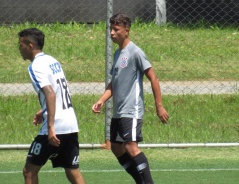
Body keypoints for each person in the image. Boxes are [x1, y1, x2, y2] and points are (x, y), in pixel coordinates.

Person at [92, 13, 169, 184]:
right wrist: (101, 100)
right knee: (117, 148)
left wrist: (159, 106)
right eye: (110, 29)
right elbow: (114, 83)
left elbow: (153, 78)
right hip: (119, 112)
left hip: (131, 109)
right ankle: (139, 180)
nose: (112, 33)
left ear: (126, 31)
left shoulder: (135, 52)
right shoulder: (119, 53)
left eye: (116, 29)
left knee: (131, 147)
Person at [18, 28, 85, 184]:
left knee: (29, 171)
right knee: (72, 170)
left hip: (56, 127)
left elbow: (51, 94)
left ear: (30, 45)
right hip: (70, 123)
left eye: (20, 45)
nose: (19, 49)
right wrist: (44, 110)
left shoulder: (34, 66)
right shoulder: (52, 60)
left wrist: (51, 127)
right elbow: (59, 91)